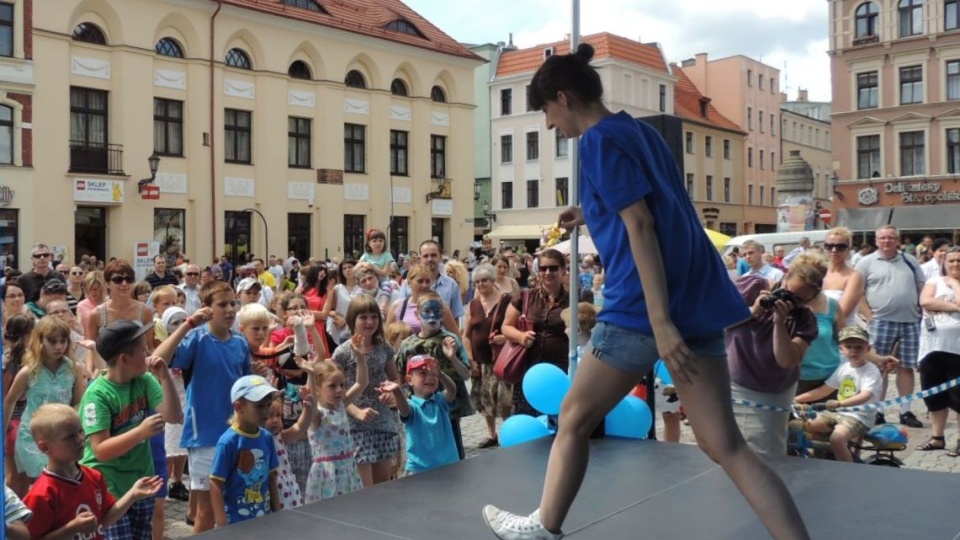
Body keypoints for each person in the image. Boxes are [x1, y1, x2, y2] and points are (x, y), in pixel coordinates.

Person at [481, 44, 810, 540]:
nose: (550, 125)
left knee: (571, 417)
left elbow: (640, 224)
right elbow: (659, 207)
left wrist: (659, 322)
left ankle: (542, 528)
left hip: (641, 307)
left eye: (547, 112)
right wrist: (590, 211)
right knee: (726, 445)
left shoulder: (595, 142)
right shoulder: (640, 132)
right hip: (696, 302)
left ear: (563, 98)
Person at [152, 281, 250, 534]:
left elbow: (246, 385)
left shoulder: (240, 343)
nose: (229, 310)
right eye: (222, 305)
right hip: (205, 435)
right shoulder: (197, 338)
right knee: (205, 511)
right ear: (207, 308)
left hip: (237, 433)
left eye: (233, 304)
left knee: (236, 503)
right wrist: (188, 324)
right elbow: (159, 359)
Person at [79, 319, 183, 540]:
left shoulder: (144, 380)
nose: (149, 355)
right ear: (125, 359)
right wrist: (140, 433)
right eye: (143, 351)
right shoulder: (97, 394)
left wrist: (164, 377)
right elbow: (101, 450)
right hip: (110, 488)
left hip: (140, 482)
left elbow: (174, 416)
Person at [22, 404, 163, 540]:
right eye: (70, 437)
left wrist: (132, 495)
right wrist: (70, 529)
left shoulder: (93, 476)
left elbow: (103, 521)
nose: (81, 439)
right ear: (45, 448)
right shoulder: (41, 494)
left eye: (80, 431)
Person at [727, 255, 822, 455]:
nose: (789, 301)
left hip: (775, 389)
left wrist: (780, 323)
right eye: (788, 293)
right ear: (785, 277)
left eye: (798, 300)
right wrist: (753, 310)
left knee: (766, 447)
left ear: (809, 300)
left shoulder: (805, 320)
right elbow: (718, 323)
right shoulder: (751, 287)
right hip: (738, 382)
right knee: (729, 444)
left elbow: (787, 360)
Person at [856, 225, 926, 427]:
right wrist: (869, 316)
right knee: (879, 367)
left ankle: (906, 411)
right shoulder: (866, 262)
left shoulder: (910, 261)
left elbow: (922, 287)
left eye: (891, 238)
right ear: (876, 240)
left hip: (910, 321)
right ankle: (878, 410)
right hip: (881, 321)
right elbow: (858, 292)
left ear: (898, 240)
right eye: (883, 238)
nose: (887, 241)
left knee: (907, 367)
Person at [3, 317, 86, 486]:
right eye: (52, 341)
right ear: (39, 340)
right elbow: (9, 402)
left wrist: (68, 419)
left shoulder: (74, 368)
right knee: (38, 482)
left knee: (64, 481)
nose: (58, 346)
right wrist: (2, 432)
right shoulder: (29, 371)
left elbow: (79, 401)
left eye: (63, 341)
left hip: (64, 435)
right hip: (32, 436)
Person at [394, 292, 474, 460]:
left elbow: (466, 374)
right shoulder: (407, 345)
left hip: (448, 409)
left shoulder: (450, 340)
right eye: (427, 311)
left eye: (437, 311)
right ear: (417, 314)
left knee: (452, 452)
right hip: (419, 409)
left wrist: (452, 357)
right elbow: (400, 377)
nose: (432, 316)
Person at [332, 295, 399, 487]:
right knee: (365, 487)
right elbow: (336, 392)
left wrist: (391, 392)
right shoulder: (343, 352)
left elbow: (395, 378)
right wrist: (356, 412)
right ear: (353, 320)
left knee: (384, 484)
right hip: (356, 426)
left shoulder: (384, 348)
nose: (369, 322)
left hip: (383, 421)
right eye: (363, 317)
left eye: (373, 317)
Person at [794, 326, 884, 462]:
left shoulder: (871, 371)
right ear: (841, 349)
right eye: (849, 346)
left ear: (868, 349)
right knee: (808, 427)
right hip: (838, 412)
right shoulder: (844, 367)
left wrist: (839, 403)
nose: (854, 350)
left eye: (859, 347)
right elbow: (825, 389)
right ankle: (823, 459)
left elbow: (865, 395)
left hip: (859, 416)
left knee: (836, 439)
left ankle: (847, 472)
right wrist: (796, 399)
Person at [500, 249, 570, 417]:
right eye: (543, 268)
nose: (548, 272)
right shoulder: (524, 296)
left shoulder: (574, 299)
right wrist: (521, 336)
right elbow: (506, 326)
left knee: (560, 420)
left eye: (553, 268)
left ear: (563, 270)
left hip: (561, 373)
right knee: (529, 423)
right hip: (528, 372)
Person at [301, 343, 369, 502]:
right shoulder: (317, 414)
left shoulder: (341, 406)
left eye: (342, 385)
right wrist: (311, 375)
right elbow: (310, 400)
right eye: (332, 386)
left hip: (347, 468)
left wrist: (360, 358)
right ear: (318, 389)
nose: (339, 390)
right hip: (327, 473)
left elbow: (361, 383)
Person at [210, 376, 280, 527]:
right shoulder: (228, 442)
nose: (266, 411)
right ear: (238, 407)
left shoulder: (267, 438)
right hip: (235, 522)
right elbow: (215, 483)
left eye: (268, 405)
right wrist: (222, 523)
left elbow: (271, 478)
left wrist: (278, 513)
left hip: (263, 519)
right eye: (259, 406)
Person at [463, 264, 513, 448]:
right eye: (477, 282)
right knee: (485, 400)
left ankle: (509, 432)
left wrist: (504, 337)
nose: (481, 284)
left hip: (502, 360)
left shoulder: (506, 301)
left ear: (493, 281)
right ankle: (492, 435)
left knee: (504, 399)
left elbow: (517, 327)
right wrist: (470, 358)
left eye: (484, 280)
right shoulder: (474, 305)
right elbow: (466, 334)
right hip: (481, 360)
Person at [916, 247, 960, 454]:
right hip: (932, 348)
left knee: (958, 397)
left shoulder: (952, 283)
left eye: (959, 261)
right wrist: (954, 306)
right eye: (951, 261)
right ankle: (937, 437)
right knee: (933, 395)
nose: (955, 265)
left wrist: (954, 285)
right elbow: (925, 301)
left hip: (957, 349)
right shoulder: (934, 281)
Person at [384, 355, 459, 475]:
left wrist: (441, 374)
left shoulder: (440, 401)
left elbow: (452, 390)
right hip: (419, 468)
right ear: (409, 380)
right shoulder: (411, 405)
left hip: (449, 464)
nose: (430, 377)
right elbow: (404, 409)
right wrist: (397, 391)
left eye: (433, 374)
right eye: (423, 373)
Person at [85, 260, 154, 375]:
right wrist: (89, 372)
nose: (124, 283)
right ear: (107, 284)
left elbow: (150, 346)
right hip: (108, 373)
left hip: (137, 371)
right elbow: (91, 347)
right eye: (118, 280)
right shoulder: (96, 314)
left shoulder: (144, 311)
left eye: (129, 279)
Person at [2, 315, 35, 496]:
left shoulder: (15, 359)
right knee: (17, 477)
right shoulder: (12, 363)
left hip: (21, 424)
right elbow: (6, 397)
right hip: (15, 425)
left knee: (18, 476)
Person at [386, 264, 459, 335]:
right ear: (409, 283)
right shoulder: (398, 306)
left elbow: (456, 337)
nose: (425, 285)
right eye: (420, 281)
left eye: (427, 281)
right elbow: (388, 337)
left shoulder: (440, 307)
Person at [821, 227, 864, 328]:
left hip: (841, 334)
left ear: (848, 250)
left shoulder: (854, 276)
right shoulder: (818, 273)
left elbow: (842, 313)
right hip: (816, 333)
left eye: (840, 247)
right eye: (829, 246)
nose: (834, 250)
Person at [76, 271, 107, 336]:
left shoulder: (109, 303)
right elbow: (80, 327)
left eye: (95, 289)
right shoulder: (81, 305)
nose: (93, 292)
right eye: (90, 289)